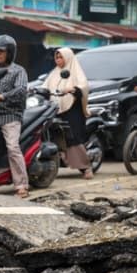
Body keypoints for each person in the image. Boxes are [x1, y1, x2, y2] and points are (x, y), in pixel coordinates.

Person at [0, 34, 30, 198]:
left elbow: (21, 90)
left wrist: (2, 96)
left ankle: (21, 185)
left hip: (10, 116)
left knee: (12, 148)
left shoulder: (18, 71)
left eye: (1, 52)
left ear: (9, 53)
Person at [46, 47, 92, 179]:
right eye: (56, 57)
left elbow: (83, 87)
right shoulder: (54, 73)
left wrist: (73, 89)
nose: (58, 60)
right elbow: (45, 86)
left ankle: (86, 167)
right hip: (55, 109)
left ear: (68, 57)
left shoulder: (75, 71)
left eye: (61, 57)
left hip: (72, 110)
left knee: (73, 138)